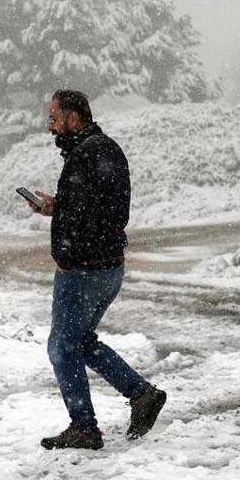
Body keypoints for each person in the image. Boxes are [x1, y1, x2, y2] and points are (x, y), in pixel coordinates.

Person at [26, 89, 166, 450]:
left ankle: (85, 428)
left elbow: (94, 216)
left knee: (61, 345)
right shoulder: (98, 150)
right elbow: (95, 209)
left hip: (85, 271)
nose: (50, 126)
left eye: (55, 118)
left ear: (74, 118)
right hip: (105, 267)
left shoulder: (90, 153)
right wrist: (55, 207)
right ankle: (141, 394)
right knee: (81, 341)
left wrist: (68, 256)